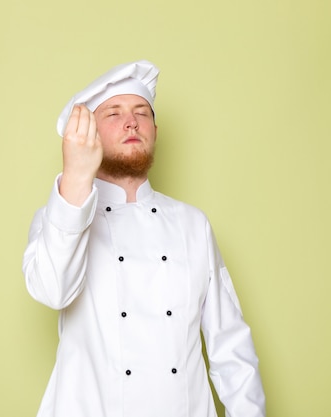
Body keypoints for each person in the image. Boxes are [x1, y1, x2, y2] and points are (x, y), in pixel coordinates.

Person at [22, 60, 265, 417]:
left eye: (141, 112)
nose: (131, 121)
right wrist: (74, 177)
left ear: (154, 129)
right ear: (90, 135)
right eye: (113, 113)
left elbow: (230, 345)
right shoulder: (59, 217)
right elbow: (52, 289)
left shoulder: (192, 225)